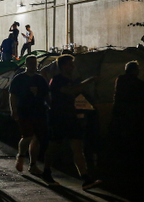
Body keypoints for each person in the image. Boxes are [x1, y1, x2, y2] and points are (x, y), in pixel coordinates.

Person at [42, 54, 101, 190]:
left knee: (77, 148)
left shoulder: (71, 80)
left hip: (70, 117)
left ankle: (85, 179)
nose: (73, 67)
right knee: (54, 146)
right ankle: (46, 171)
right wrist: (89, 81)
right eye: (70, 64)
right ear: (63, 66)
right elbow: (70, 91)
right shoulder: (57, 80)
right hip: (58, 117)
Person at [9, 55, 49, 176]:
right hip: (24, 111)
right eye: (31, 63)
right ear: (26, 64)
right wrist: (13, 110)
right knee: (27, 136)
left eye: (34, 63)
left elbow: (47, 95)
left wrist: (49, 106)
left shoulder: (41, 79)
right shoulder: (19, 79)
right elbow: (13, 95)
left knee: (36, 139)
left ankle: (33, 165)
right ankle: (21, 157)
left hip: (39, 111)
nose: (33, 65)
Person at [111, 60, 144, 139]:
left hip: (119, 111)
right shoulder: (138, 83)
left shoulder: (120, 79)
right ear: (134, 70)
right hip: (132, 114)